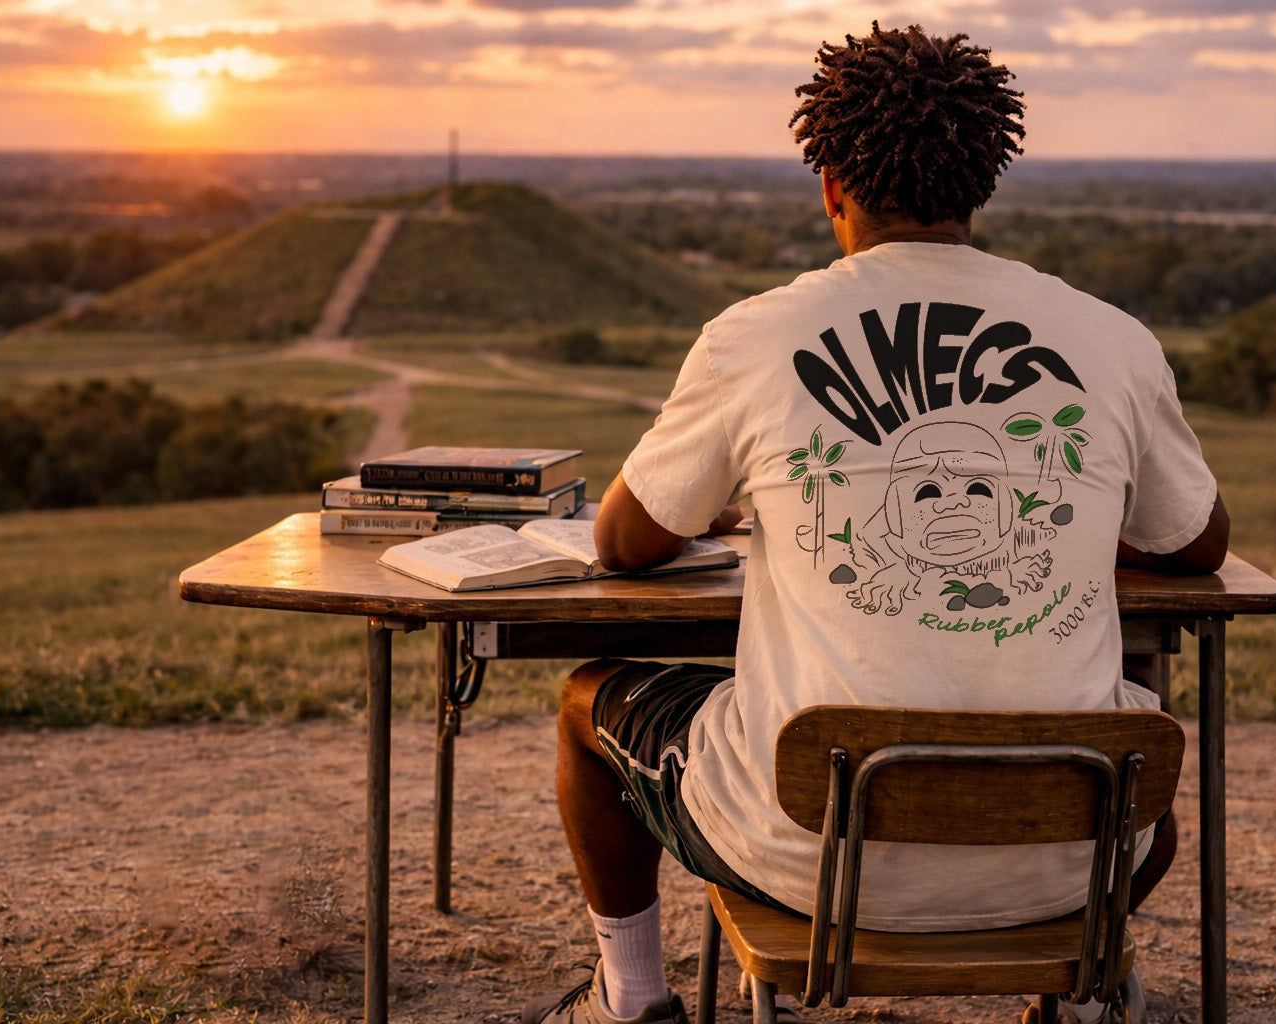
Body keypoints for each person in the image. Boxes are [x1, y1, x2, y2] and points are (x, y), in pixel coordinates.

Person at [523, 22, 1229, 1024]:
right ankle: (1083, 994)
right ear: (983, 185)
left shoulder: (753, 336)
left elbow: (623, 544)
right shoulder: (1114, 338)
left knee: (588, 698)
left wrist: (746, 504)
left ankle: (631, 1000)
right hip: (1077, 860)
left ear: (829, 184)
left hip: (808, 855)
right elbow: (1194, 543)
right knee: (1135, 704)